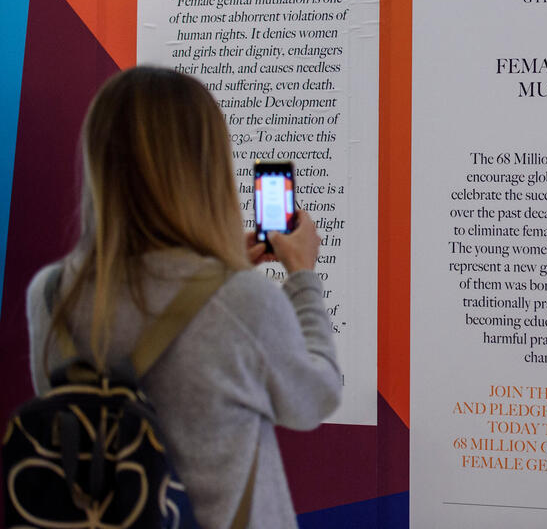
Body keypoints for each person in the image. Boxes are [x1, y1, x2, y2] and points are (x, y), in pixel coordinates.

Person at [24, 65, 341, 529]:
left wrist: (216, 276)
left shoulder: (51, 292)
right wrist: (302, 276)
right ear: (205, 166)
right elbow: (316, 397)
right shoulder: (242, 301)